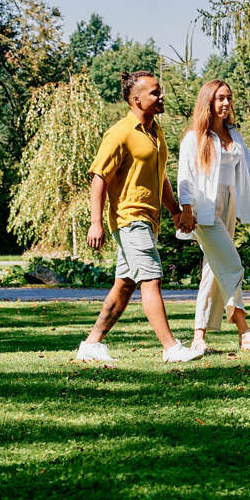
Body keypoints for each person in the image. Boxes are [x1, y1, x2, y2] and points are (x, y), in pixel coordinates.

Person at [76, 70, 200, 364]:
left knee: (126, 284)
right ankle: (170, 347)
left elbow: (161, 178)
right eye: (155, 93)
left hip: (149, 218)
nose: (161, 97)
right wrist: (96, 222)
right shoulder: (120, 133)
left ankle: (92, 343)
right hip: (130, 218)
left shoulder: (155, 132)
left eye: (160, 92)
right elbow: (99, 178)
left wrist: (175, 210)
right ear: (136, 99)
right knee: (151, 278)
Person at [176, 79, 250, 354]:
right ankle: (244, 331)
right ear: (208, 102)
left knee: (213, 272)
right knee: (232, 264)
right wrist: (186, 209)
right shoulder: (194, 137)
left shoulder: (234, 135)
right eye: (220, 98)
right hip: (204, 211)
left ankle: (198, 338)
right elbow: (184, 177)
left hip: (230, 204)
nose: (225, 103)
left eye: (228, 98)